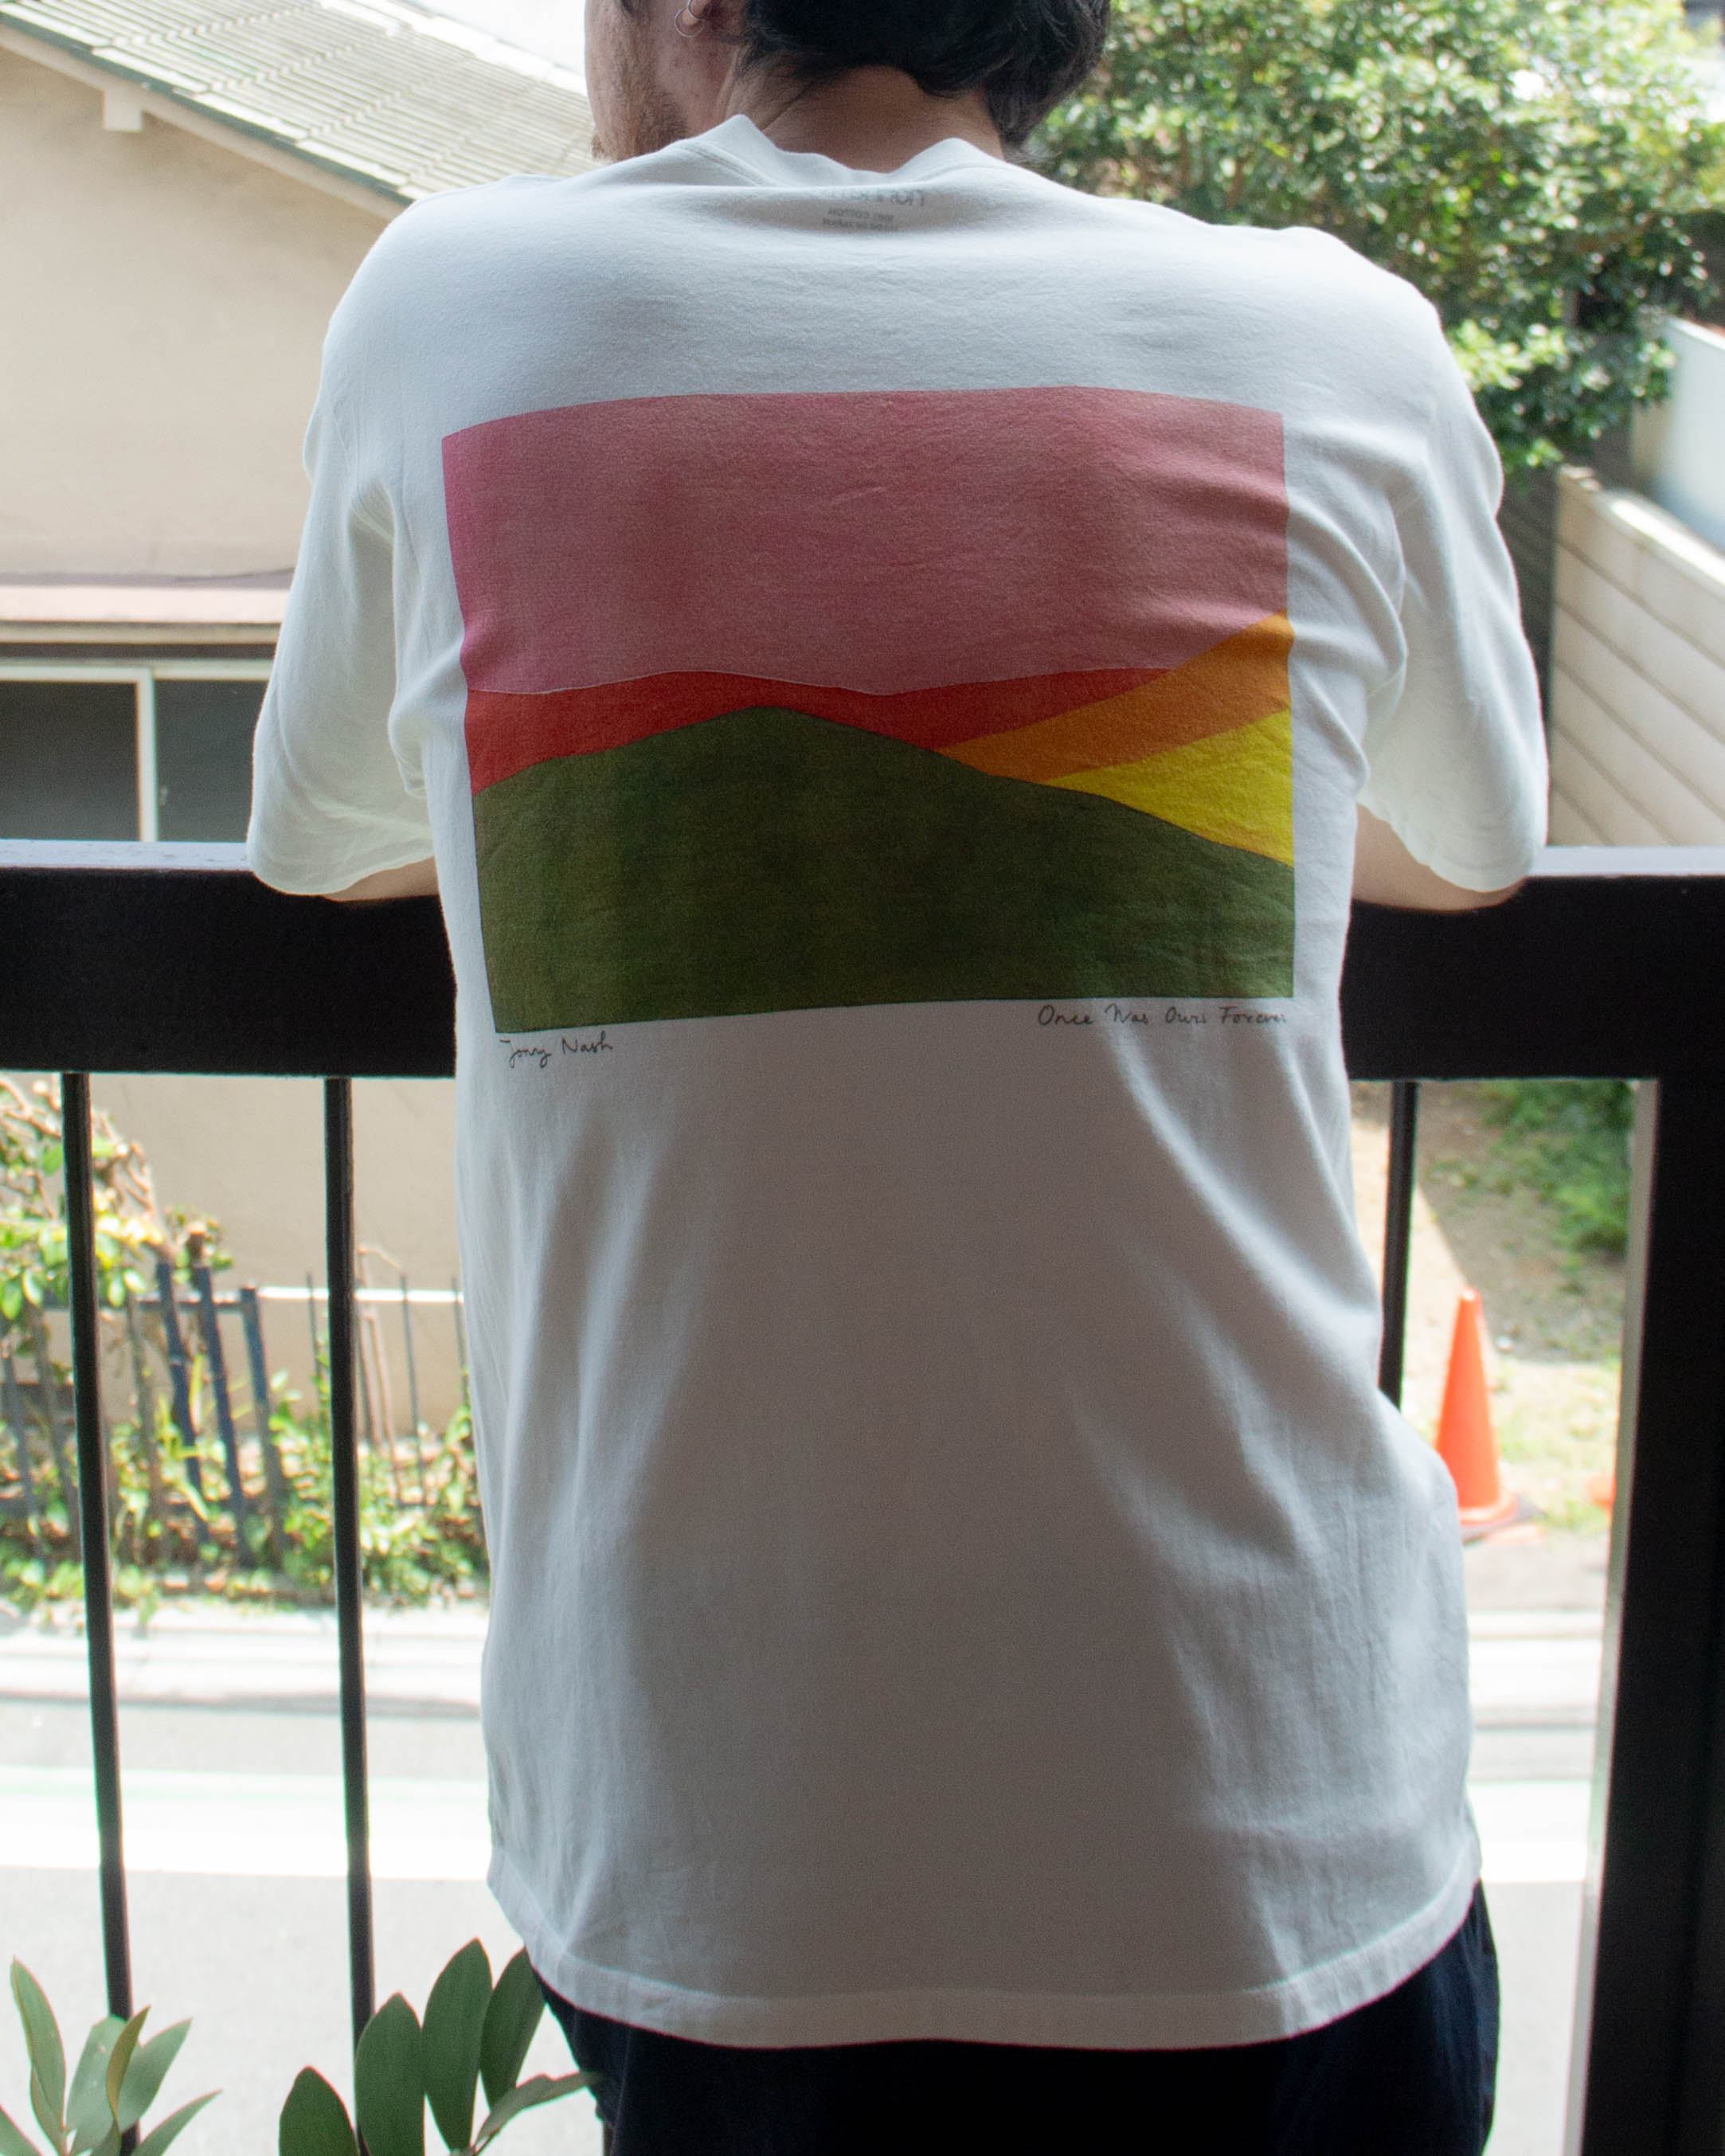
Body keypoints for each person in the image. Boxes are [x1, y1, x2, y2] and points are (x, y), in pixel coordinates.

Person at [247, 0, 1547, 2146]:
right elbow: (1476, 845)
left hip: (721, 1841)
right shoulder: (1333, 333)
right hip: (1272, 1812)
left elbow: (324, 839)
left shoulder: (454, 302)